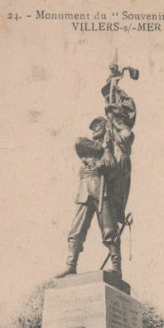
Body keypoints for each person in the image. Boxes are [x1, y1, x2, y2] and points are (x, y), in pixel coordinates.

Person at [55, 117, 123, 279]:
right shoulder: (92, 147)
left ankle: (116, 267)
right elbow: (79, 142)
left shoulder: (111, 146)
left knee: (109, 229)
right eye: (93, 128)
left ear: (105, 128)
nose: (94, 130)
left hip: (101, 188)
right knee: (76, 230)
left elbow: (115, 167)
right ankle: (70, 265)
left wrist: (106, 153)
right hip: (85, 188)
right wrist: (102, 148)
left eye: (98, 126)